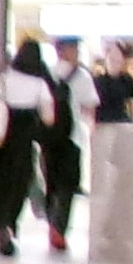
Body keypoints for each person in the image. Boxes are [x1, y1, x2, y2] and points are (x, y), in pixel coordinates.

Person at [0, 37, 57, 256]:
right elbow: (48, 118)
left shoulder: (3, 79)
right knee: (20, 183)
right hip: (23, 141)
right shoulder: (39, 84)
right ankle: (9, 224)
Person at [41, 32, 92, 249]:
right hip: (72, 139)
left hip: (49, 138)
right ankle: (58, 228)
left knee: (52, 182)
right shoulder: (82, 76)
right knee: (68, 184)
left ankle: (53, 222)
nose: (77, 53)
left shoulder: (47, 74)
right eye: (75, 49)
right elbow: (89, 107)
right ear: (67, 50)